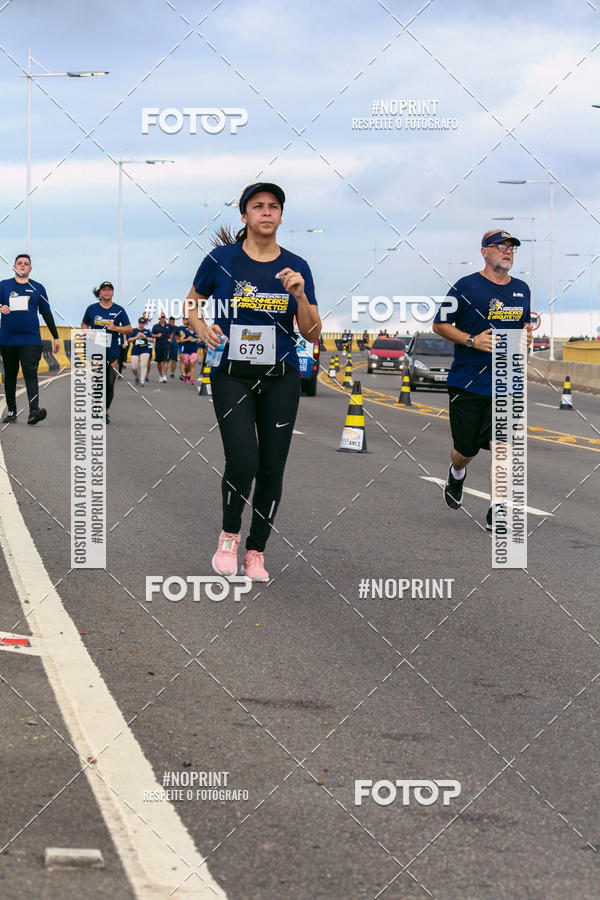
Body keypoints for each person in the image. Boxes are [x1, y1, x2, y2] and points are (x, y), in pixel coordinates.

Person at [186, 182, 321, 581]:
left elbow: (312, 333)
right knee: (244, 458)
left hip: (280, 378)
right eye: (257, 206)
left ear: (281, 216)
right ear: (244, 216)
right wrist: (201, 328)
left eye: (273, 207)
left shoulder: (297, 267)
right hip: (233, 375)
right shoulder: (221, 259)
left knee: (272, 467)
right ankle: (229, 534)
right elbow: (192, 303)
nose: (266, 212)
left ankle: (256, 551)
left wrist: (299, 296)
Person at [432, 230, 532, 531]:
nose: (507, 251)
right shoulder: (466, 287)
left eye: (512, 247)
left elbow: (523, 326)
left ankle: (498, 510)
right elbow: (439, 324)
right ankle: (456, 473)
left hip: (506, 381)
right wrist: (472, 340)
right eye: (500, 247)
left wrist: (527, 335)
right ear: (484, 252)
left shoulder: (522, 289)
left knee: (503, 445)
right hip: (467, 382)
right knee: (466, 450)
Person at [0, 253, 60, 424]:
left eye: (26, 263)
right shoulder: (3, 286)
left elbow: (46, 313)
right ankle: (11, 412)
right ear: (14, 266)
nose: (22, 265)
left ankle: (34, 410)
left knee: (30, 372)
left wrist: (55, 336)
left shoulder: (38, 288)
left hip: (31, 339)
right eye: (19, 263)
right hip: (7, 339)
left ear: (30, 268)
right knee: (10, 375)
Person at [81, 281, 132, 423]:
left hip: (112, 349)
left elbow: (129, 329)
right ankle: (97, 408)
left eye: (109, 290)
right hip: (95, 347)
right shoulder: (92, 309)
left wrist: (116, 328)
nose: (107, 292)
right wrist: (88, 332)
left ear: (112, 293)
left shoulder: (119, 310)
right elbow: (84, 323)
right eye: (104, 290)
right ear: (100, 292)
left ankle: (105, 412)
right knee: (98, 379)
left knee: (110, 382)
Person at [127, 316, 155, 384]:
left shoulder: (147, 331)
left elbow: (152, 340)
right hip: (135, 349)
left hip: (144, 349)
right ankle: (137, 377)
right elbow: (129, 340)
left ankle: (142, 380)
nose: (141, 324)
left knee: (143, 365)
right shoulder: (134, 330)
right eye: (140, 323)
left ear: (144, 324)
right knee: (134, 367)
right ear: (138, 323)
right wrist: (137, 337)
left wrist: (145, 337)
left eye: (143, 323)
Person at [176, 317, 199, 384]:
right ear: (188, 326)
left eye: (192, 325)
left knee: (192, 363)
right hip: (186, 351)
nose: (191, 326)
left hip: (193, 351)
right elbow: (181, 340)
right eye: (189, 325)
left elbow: (199, 339)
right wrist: (187, 339)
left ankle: (192, 379)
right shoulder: (185, 332)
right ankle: (186, 374)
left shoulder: (196, 332)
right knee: (186, 364)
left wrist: (198, 340)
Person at [152, 313, 172, 382]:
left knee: (165, 361)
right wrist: (157, 335)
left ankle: (164, 376)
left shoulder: (168, 326)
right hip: (158, 346)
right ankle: (160, 375)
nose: (162, 319)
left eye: (163, 317)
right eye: (161, 317)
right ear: (159, 318)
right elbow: (152, 334)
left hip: (166, 346)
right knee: (159, 362)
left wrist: (170, 338)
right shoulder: (156, 326)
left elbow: (172, 333)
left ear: (165, 318)